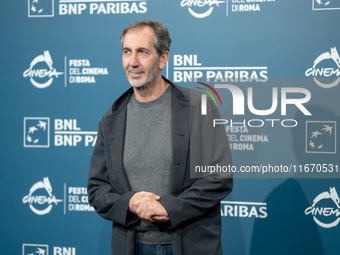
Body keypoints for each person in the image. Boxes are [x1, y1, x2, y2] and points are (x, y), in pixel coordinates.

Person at [87, 19, 233, 255]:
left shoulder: (198, 107)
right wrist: (130, 203)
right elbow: (97, 189)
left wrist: (170, 209)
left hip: (189, 244)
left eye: (142, 52)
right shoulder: (111, 119)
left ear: (163, 58)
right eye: (127, 52)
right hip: (132, 247)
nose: (132, 62)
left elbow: (218, 178)